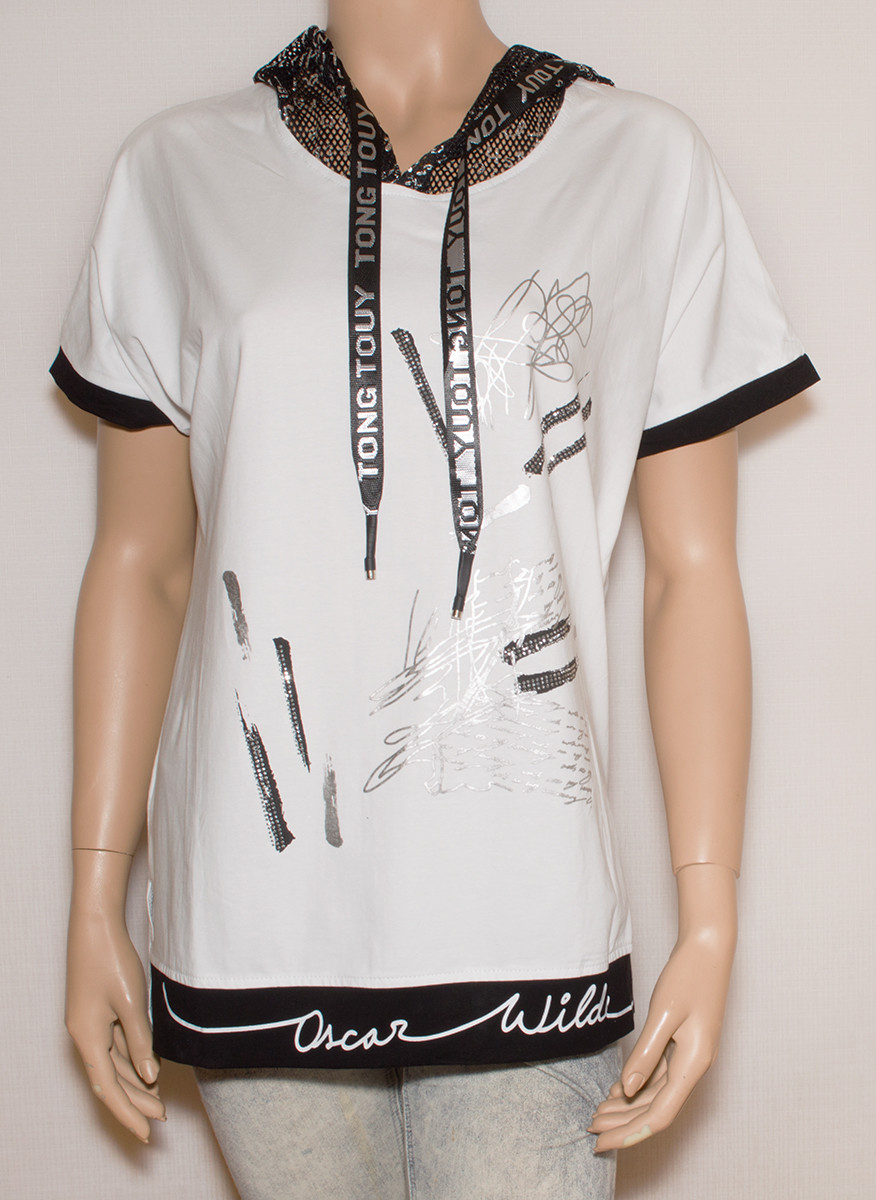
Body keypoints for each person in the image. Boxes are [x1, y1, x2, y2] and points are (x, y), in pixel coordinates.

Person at [52, 1, 819, 1196]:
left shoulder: (641, 163)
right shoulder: (176, 173)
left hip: (527, 910)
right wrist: (94, 890)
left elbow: (693, 575)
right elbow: (139, 565)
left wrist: (709, 919)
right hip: (261, 919)